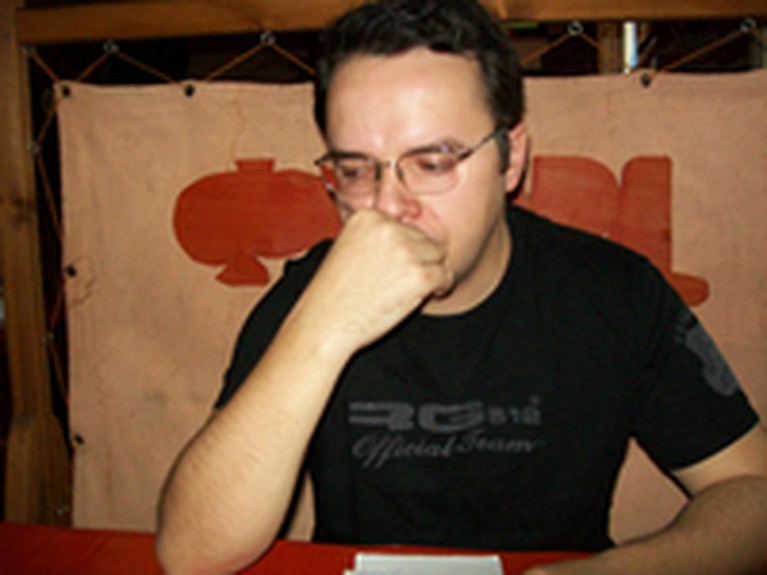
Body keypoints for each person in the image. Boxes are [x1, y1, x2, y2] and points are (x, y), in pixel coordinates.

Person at [155, 1, 767, 573]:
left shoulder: (613, 291)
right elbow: (191, 554)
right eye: (356, 170)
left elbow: (751, 493)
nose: (390, 206)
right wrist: (324, 329)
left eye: (433, 162)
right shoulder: (311, 298)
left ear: (510, 158)